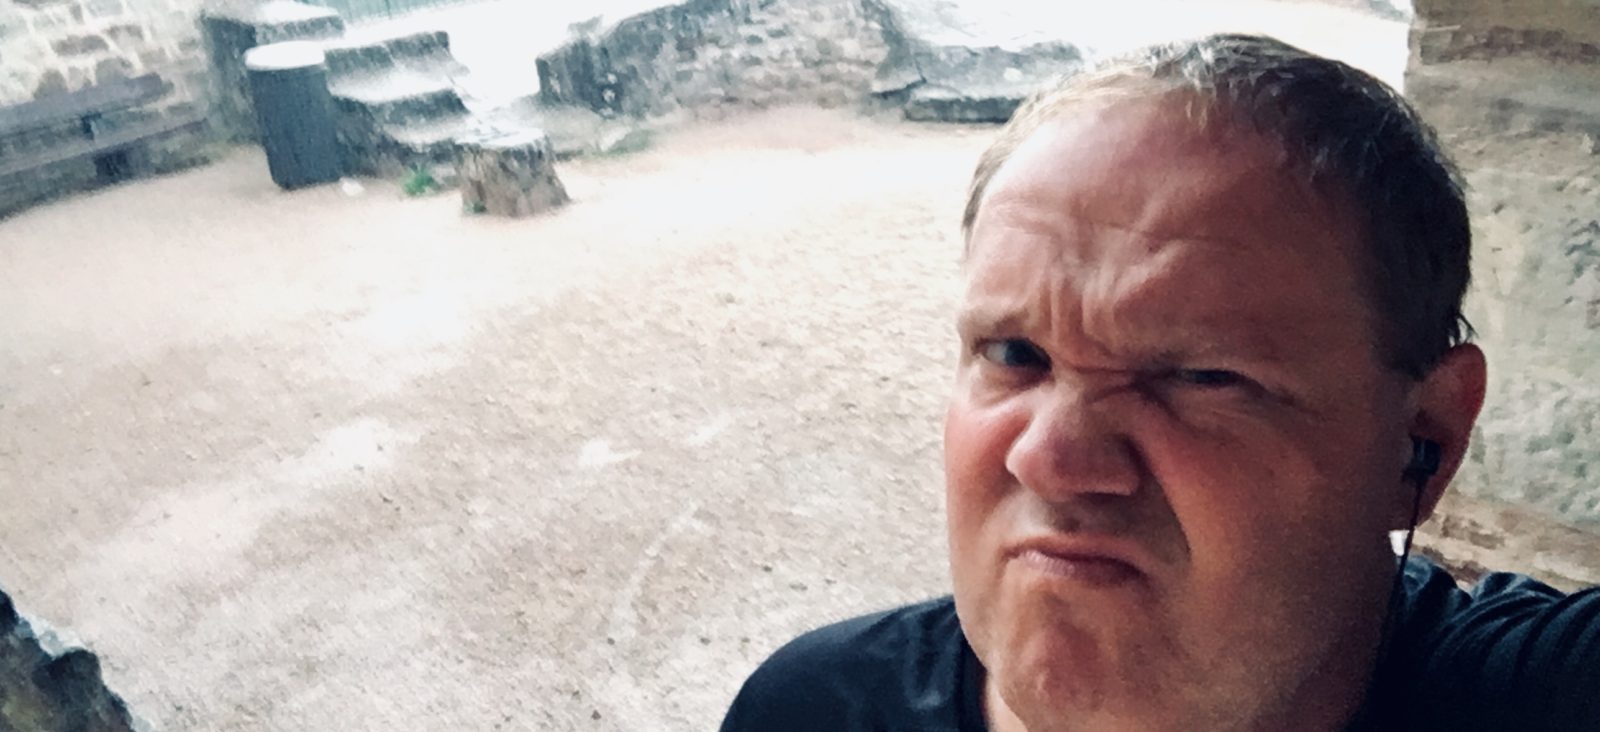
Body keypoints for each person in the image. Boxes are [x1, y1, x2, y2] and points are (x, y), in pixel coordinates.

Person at [720, 33, 1600, 731]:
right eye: (1015, 354)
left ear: (1422, 442)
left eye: (1201, 376)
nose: (1050, 459)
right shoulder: (811, 708)